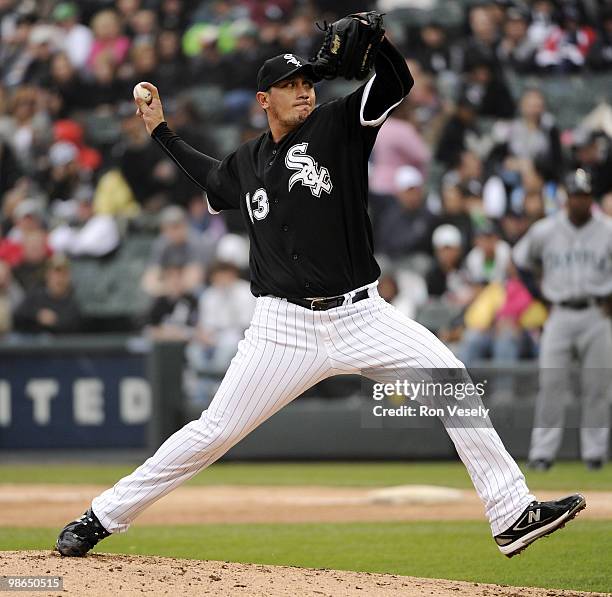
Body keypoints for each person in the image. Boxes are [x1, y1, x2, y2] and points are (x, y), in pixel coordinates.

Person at [56, 16, 585, 559]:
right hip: (281, 329)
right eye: (290, 85)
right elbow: (213, 178)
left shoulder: (339, 126)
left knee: (451, 384)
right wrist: (161, 132)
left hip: (363, 316)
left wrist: (379, 44)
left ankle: (512, 513)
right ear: (265, 99)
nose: (304, 90)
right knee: (213, 431)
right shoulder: (248, 161)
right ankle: (101, 516)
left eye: (308, 81)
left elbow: (396, 84)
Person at [513, 169, 612, 472]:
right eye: (575, 195)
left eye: (584, 195)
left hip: (597, 313)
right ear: (566, 198)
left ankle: (594, 453)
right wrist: (539, 296)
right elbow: (520, 260)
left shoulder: (607, 229)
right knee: (551, 384)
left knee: (598, 386)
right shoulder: (545, 230)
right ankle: (542, 453)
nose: (580, 201)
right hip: (559, 313)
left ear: (590, 197)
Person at [13, 253, 82, 334]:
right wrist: (37, 315)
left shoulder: (73, 300)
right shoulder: (36, 294)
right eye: (56, 273)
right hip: (32, 342)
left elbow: (74, 325)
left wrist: (55, 321)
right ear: (47, 275)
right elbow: (18, 316)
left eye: (64, 274)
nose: (59, 279)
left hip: (61, 343)